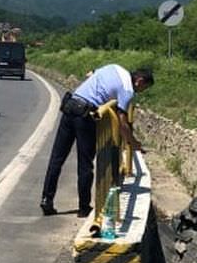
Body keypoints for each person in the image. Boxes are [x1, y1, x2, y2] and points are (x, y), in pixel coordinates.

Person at [40, 65, 154, 217]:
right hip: (85, 115)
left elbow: (91, 73)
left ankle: (47, 200)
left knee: (57, 158)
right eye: (144, 88)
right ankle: (83, 207)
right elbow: (122, 122)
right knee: (85, 163)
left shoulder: (114, 67)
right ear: (139, 81)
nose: (141, 92)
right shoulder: (127, 90)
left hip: (70, 106)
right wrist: (133, 143)